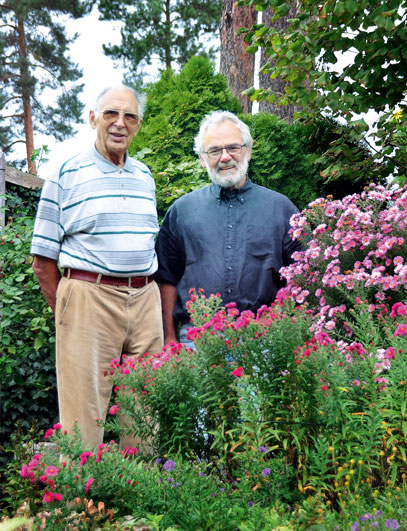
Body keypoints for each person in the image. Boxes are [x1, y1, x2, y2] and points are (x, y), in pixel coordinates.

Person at [30, 85, 163, 449]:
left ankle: (140, 499)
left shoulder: (145, 176)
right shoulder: (65, 173)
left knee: (146, 410)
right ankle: (80, 503)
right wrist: (69, 313)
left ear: (137, 125)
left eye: (130, 117)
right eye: (111, 114)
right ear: (92, 118)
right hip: (89, 296)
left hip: (145, 298)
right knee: (84, 415)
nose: (120, 124)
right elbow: (43, 261)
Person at [155, 111, 304, 345]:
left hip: (264, 338)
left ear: (248, 150)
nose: (225, 157)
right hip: (197, 340)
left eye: (233, 147)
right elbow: (167, 278)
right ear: (203, 158)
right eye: (214, 150)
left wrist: (283, 322)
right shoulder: (182, 212)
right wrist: (170, 339)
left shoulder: (281, 209)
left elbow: (301, 272)